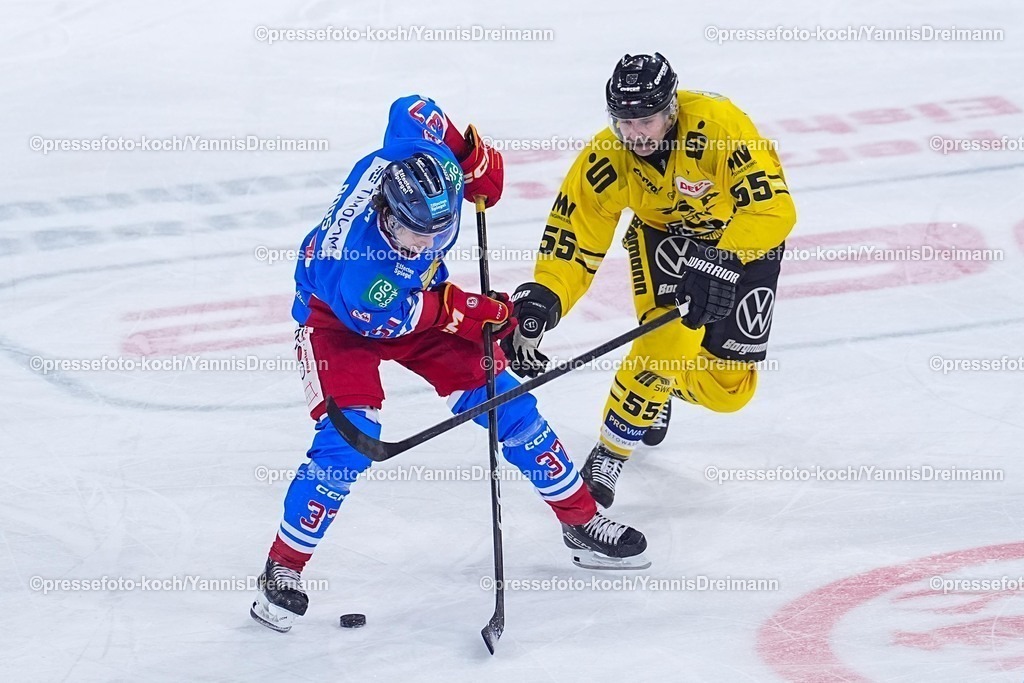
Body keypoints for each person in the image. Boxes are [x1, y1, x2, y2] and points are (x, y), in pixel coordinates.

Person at [250, 95, 649, 634]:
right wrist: (485, 315)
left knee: (510, 409)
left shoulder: (423, 170)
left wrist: (471, 158)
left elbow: (409, 107)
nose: (430, 242)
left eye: (440, 231)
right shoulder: (359, 273)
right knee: (348, 442)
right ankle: (283, 569)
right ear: (387, 214)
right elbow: (419, 315)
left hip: (412, 301)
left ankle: (581, 523)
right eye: (418, 234)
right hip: (339, 321)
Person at [502, 54, 797, 508]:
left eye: (645, 120)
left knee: (730, 391)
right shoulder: (608, 156)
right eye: (623, 121)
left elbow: (774, 210)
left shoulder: (720, 127)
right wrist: (547, 294)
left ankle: (656, 388)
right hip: (666, 240)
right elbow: (575, 234)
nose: (634, 133)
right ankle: (611, 451)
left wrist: (720, 261)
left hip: (742, 237)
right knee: (664, 346)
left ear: (671, 110)